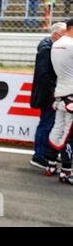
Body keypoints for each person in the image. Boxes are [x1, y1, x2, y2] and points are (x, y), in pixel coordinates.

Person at [30, 22, 66, 169]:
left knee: (50, 123)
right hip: (47, 93)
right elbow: (43, 73)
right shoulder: (46, 48)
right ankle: (39, 156)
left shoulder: (52, 47)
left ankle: (45, 153)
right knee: (46, 123)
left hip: (51, 91)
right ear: (56, 34)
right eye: (64, 35)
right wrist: (54, 89)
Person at [45, 19, 73, 185]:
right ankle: (67, 171)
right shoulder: (71, 44)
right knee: (69, 134)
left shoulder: (56, 44)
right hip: (71, 94)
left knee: (57, 128)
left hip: (60, 91)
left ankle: (51, 164)